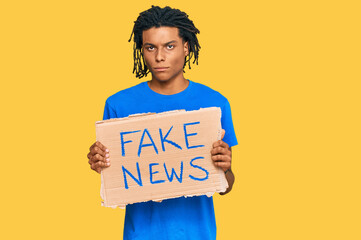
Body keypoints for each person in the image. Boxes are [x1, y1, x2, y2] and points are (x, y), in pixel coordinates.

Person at [87, 5, 238, 240]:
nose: (159, 56)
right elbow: (117, 176)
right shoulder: (118, 104)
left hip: (198, 234)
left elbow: (226, 186)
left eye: (169, 46)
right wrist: (100, 162)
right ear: (142, 50)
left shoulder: (214, 103)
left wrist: (225, 168)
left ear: (186, 47)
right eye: (150, 47)